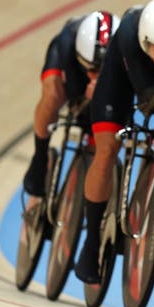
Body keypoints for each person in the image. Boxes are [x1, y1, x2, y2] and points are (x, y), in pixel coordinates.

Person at [74, 0, 154, 283]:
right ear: (145, 41)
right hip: (121, 82)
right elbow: (144, 97)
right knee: (107, 150)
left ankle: (151, 181)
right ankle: (91, 242)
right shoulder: (130, 31)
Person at [22, 11, 120, 212]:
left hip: (105, 75)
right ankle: (40, 158)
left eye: (101, 71)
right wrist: (82, 95)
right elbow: (70, 91)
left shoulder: (123, 56)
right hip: (70, 66)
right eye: (92, 70)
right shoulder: (67, 44)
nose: (96, 75)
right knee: (53, 95)